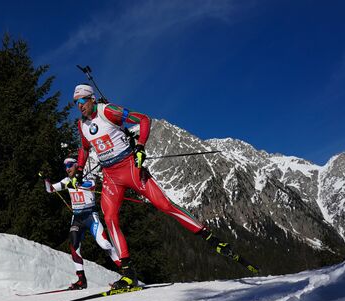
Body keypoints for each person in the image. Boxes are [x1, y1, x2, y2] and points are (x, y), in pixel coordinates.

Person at [70, 84, 235, 290]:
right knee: (110, 218)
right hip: (110, 175)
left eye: (82, 100)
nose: (80, 106)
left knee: (164, 205)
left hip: (130, 167)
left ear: (92, 98)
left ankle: (208, 236)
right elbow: (85, 149)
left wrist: (140, 146)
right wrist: (78, 170)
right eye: (76, 103)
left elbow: (144, 119)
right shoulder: (81, 124)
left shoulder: (108, 111)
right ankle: (128, 274)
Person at [45, 157, 121, 290]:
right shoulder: (67, 181)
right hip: (77, 218)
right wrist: (46, 182)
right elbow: (51, 190)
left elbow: (89, 185)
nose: (67, 168)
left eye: (70, 165)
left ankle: (128, 272)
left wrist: (77, 183)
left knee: (104, 244)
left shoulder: (88, 178)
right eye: (65, 167)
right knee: (74, 246)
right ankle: (81, 280)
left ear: (76, 166)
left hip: (90, 216)